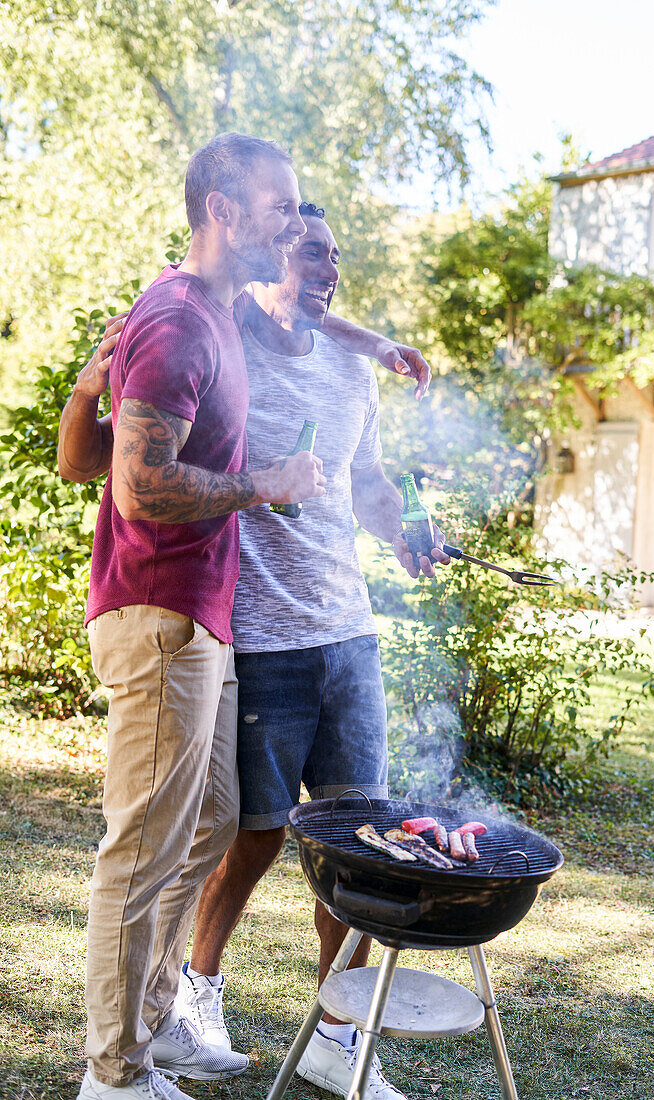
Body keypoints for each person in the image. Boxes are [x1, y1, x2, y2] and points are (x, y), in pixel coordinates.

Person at [60, 204, 447, 1100]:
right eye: (307, 249)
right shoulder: (217, 329)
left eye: (334, 255)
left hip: (345, 631)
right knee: (248, 835)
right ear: (268, 254)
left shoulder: (353, 372)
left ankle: (338, 1035)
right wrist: (362, 327)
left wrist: (404, 529)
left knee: (356, 836)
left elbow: (366, 483)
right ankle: (194, 994)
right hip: (253, 631)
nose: (325, 267)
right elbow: (188, 296)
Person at [71, 131, 327, 1100]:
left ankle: (153, 1023)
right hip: (159, 615)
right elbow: (136, 488)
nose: (293, 222)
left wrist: (377, 343)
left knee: (211, 822)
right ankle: (115, 1072)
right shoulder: (178, 321)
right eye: (279, 205)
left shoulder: (216, 312)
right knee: (140, 853)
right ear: (221, 207)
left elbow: (310, 311)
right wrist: (264, 483)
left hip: (197, 620)